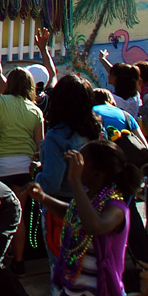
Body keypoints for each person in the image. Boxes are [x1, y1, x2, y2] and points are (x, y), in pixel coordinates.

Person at [31, 142, 140, 296]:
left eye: (81, 163)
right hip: (71, 293)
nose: (74, 167)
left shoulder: (116, 207)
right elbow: (72, 213)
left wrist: (75, 181)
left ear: (99, 174)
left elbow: (94, 226)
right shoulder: (89, 198)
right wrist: (43, 198)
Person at [0, 60, 44, 273]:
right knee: (18, 218)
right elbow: (39, 146)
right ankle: (19, 262)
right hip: (24, 169)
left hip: (0, 167)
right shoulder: (35, 110)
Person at [34, 76, 101, 265]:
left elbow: (52, 184)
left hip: (61, 211)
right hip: (92, 205)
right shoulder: (95, 129)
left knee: (62, 270)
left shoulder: (57, 136)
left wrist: (38, 175)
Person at [96, 52, 141, 117]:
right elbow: (119, 73)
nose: (108, 75)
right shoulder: (135, 96)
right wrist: (103, 59)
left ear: (115, 78)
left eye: (110, 74)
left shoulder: (113, 99)